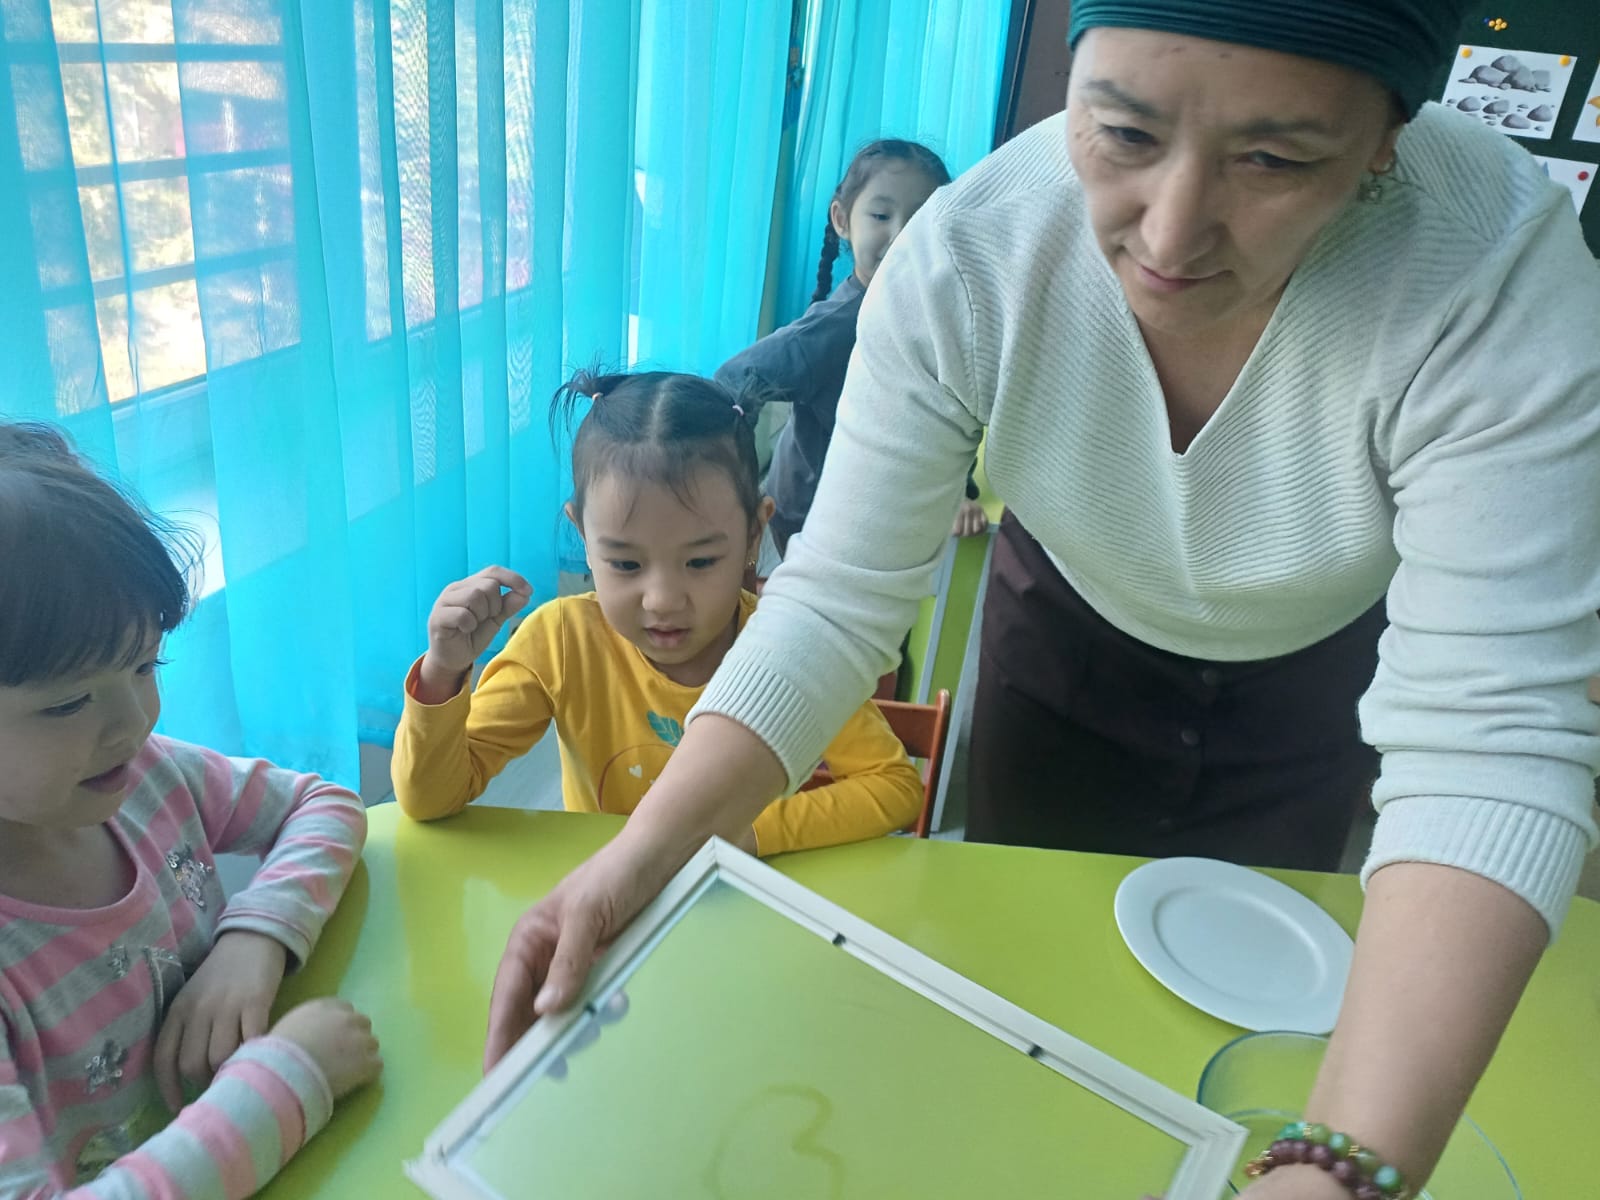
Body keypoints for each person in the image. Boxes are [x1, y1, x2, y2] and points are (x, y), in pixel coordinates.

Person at [482, 2, 1600, 1195]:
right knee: (1021, 975)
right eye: (1122, 133)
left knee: (1257, 991)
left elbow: (1490, 739)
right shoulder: (976, 253)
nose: (1170, 232)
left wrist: (1344, 1167)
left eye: (1274, 159)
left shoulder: (1494, 274)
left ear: (1385, 140)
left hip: (1319, 667)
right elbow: (836, 598)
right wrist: (645, 852)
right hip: (1063, 634)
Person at [0, 423, 381, 1198]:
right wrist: (289, 1082)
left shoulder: (140, 773)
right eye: (68, 703)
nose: (133, 722)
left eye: (145, 665)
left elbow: (323, 806)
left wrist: (252, 941)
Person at [390, 369, 923, 856]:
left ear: (753, 535)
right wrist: (442, 673)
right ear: (583, 536)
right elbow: (430, 799)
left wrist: (751, 834)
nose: (662, 600)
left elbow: (895, 786)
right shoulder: (559, 642)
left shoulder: (789, 651)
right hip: (604, 906)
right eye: (626, 563)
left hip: (740, 896)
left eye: (700, 561)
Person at [716, 139, 987, 569]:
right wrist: (733, 487)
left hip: (884, 507)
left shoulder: (936, 312)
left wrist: (957, 492)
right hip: (815, 525)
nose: (900, 235)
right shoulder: (838, 326)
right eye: (880, 216)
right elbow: (734, 379)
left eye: (920, 218)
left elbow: (945, 413)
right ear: (842, 220)